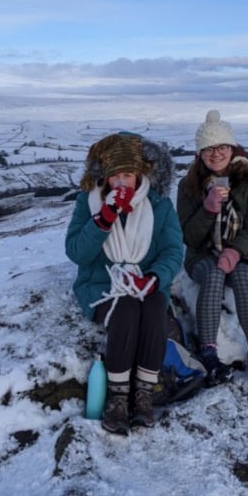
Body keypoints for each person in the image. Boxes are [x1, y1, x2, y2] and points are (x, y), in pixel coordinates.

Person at [66, 132, 183, 435]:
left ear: (140, 175)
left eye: (128, 174)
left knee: (155, 307)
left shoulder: (160, 205)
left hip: (146, 282)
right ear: (104, 177)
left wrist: (154, 278)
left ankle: (144, 394)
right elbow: (77, 252)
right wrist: (104, 218)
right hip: (102, 285)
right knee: (126, 308)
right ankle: (117, 398)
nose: (121, 182)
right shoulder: (88, 203)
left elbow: (172, 251)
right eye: (115, 175)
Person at [177, 110, 248, 385]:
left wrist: (235, 251)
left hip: (244, 251)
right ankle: (208, 355)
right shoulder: (188, 185)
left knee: (242, 274)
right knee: (213, 274)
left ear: (232, 148)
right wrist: (208, 209)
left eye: (222, 147)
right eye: (208, 149)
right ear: (200, 153)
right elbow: (189, 237)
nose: (216, 154)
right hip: (202, 253)